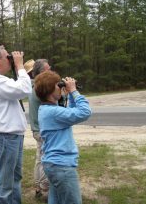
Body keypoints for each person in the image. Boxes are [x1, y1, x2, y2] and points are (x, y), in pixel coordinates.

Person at [0, 45, 32, 204]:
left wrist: (19, 67)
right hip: (6, 137)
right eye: (7, 57)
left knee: (14, 179)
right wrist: (19, 65)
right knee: (4, 184)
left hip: (11, 136)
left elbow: (20, 88)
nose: (10, 60)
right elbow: (24, 89)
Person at [34, 71, 91, 204]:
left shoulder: (47, 109)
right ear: (50, 89)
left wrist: (70, 95)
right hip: (62, 167)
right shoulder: (53, 112)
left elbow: (70, 113)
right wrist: (75, 91)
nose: (60, 87)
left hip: (54, 165)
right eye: (58, 85)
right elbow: (85, 112)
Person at [24, 59, 51, 200]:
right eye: (48, 69)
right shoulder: (40, 89)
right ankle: (44, 190)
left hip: (37, 129)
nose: (50, 71)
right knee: (45, 159)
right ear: (41, 73)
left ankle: (38, 187)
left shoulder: (34, 86)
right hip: (42, 130)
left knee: (40, 159)